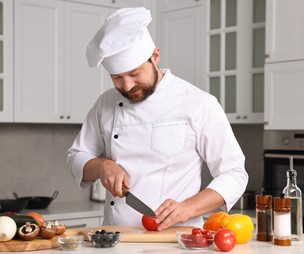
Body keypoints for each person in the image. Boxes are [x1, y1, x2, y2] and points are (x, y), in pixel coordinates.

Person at [66, 7, 248, 231]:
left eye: (134, 74)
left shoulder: (199, 103)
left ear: (155, 56)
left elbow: (234, 173)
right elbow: (76, 156)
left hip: (176, 241)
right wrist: (103, 166)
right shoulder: (106, 103)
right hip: (115, 239)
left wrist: (189, 207)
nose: (128, 86)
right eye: (117, 78)